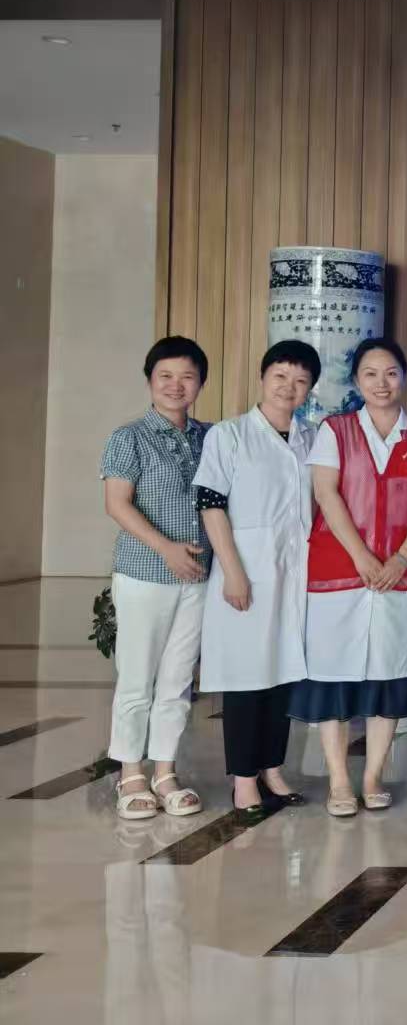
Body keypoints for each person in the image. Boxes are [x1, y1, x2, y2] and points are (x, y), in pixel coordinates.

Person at [291, 337, 407, 817]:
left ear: (404, 378)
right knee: (333, 676)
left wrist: (401, 558)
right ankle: (339, 779)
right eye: (371, 373)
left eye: (391, 373)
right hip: (339, 573)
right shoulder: (335, 431)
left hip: (401, 576)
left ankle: (373, 775)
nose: (382, 383)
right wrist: (361, 557)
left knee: (388, 676)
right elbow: (326, 494)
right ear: (357, 380)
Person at [194, 340, 321, 817]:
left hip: (294, 573)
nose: (289, 387)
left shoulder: (311, 437)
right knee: (247, 677)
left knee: (283, 673)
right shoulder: (229, 435)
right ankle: (244, 779)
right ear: (263, 378)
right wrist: (233, 571)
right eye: (281, 376)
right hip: (245, 570)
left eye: (301, 381)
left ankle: (272, 768)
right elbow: (211, 504)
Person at [100, 336, 213, 821]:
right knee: (137, 677)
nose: (176, 385)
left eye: (187, 376)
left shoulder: (211, 437)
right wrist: (166, 548)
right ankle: (131, 773)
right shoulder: (129, 437)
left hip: (199, 578)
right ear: (150, 380)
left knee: (178, 680)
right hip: (146, 573)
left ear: (201, 383)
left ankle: (165, 771)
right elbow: (117, 503)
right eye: (165, 375)